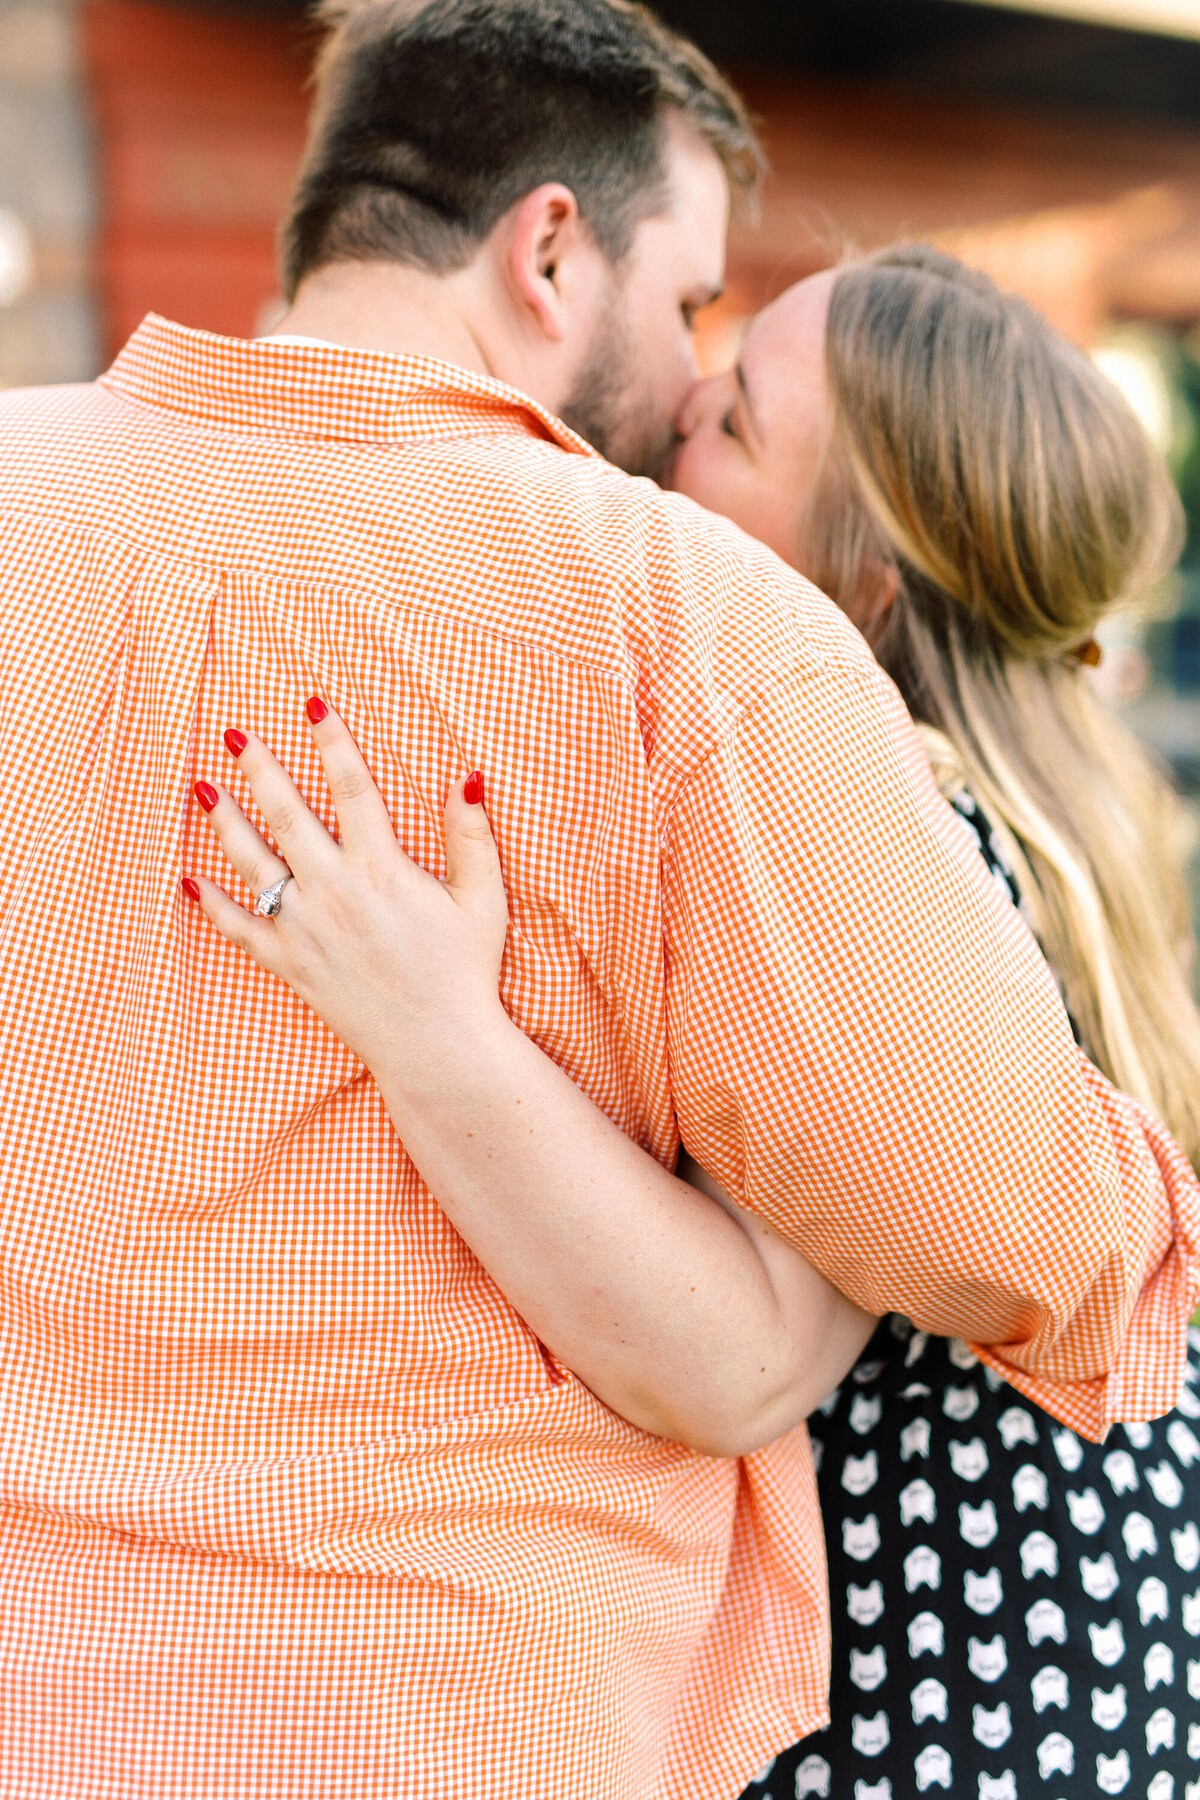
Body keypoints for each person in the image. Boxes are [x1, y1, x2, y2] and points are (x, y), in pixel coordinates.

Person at [0, 0, 1196, 1785]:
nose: (683, 378)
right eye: (692, 301)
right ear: (551, 250)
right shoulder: (687, 621)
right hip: (464, 1722)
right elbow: (1017, 1229)